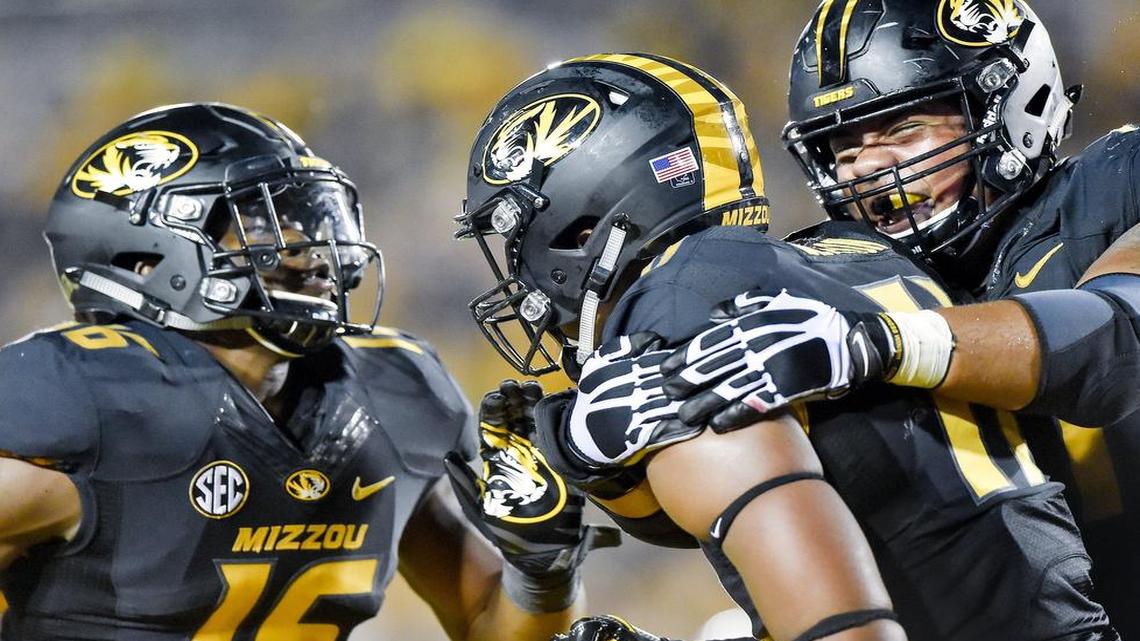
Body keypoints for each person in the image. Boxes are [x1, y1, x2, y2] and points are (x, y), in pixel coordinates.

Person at [457, 52, 1116, 641]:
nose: (516, 278)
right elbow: (885, 504)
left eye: (515, 239)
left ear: (575, 219)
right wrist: (573, 456)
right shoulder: (838, 256)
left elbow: (847, 627)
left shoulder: (686, 300)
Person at [0, 102, 611, 640]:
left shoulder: (389, 397)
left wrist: (540, 571)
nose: (311, 244)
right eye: (262, 223)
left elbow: (486, 626)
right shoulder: (92, 401)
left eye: (315, 217)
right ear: (140, 258)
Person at [654, 1, 1140, 636]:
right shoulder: (838, 272)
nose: (868, 172)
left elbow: (1118, 342)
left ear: (1013, 103)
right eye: (844, 146)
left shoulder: (1117, 184)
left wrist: (884, 343)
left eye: (902, 130)